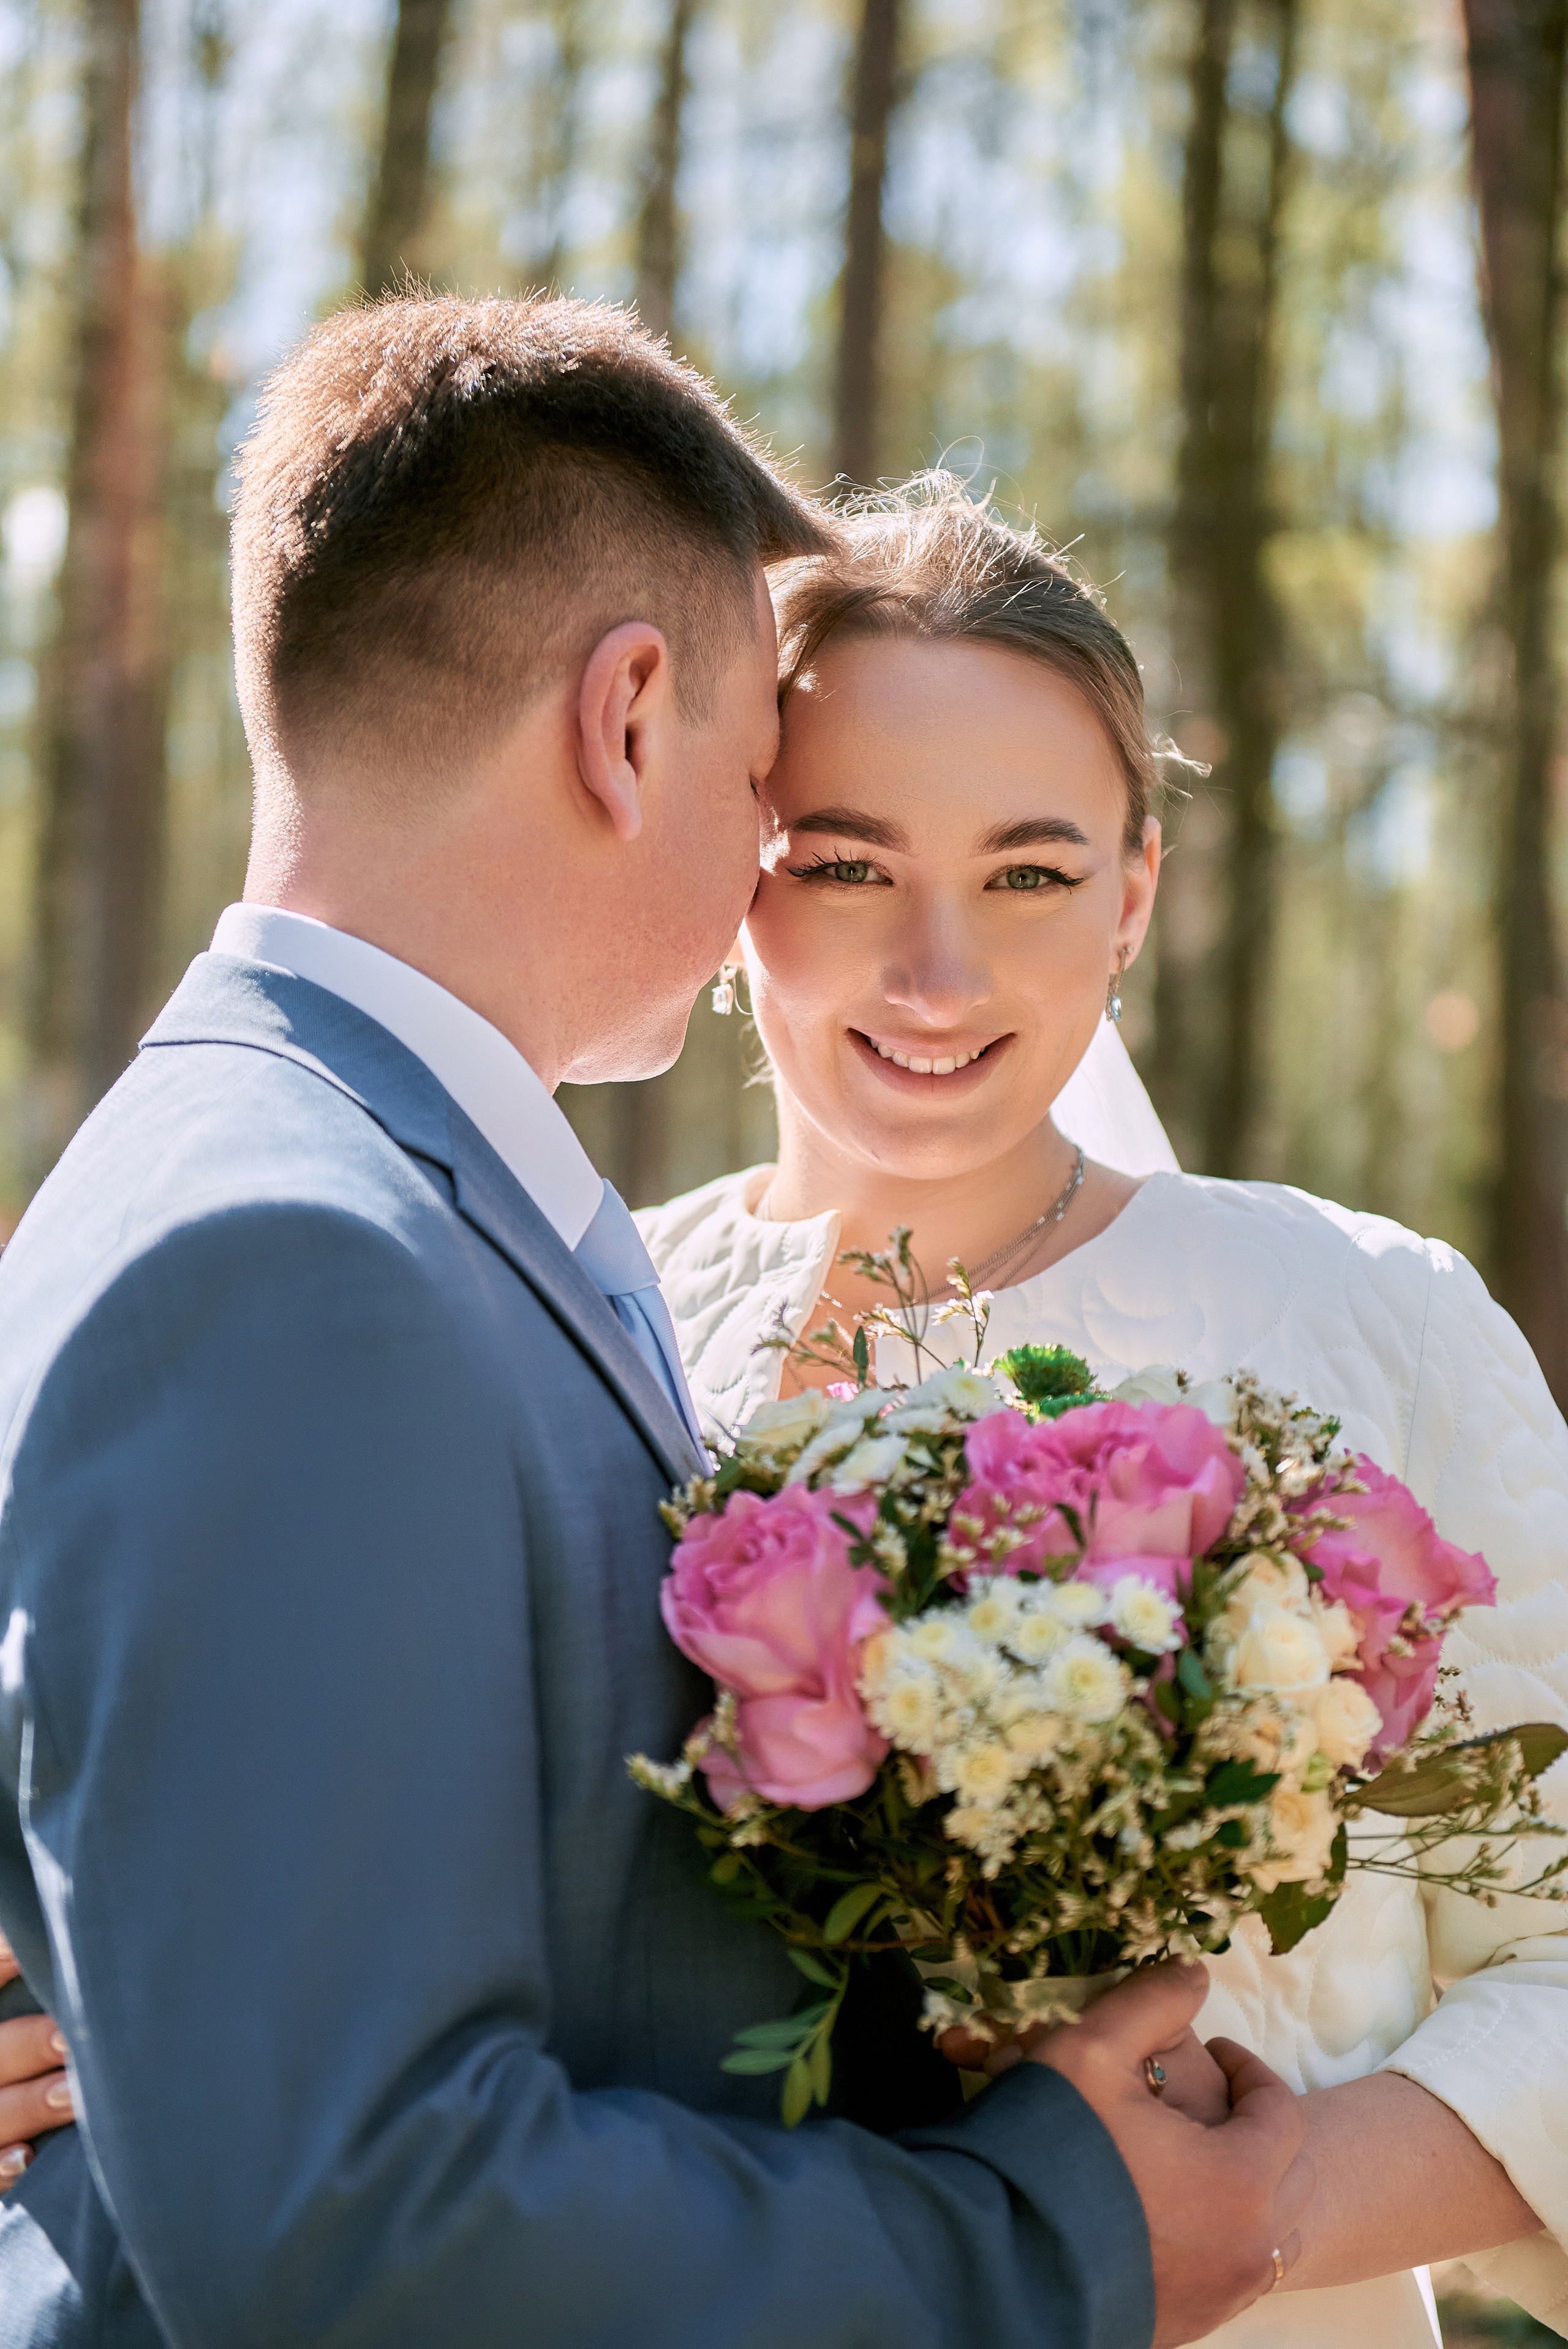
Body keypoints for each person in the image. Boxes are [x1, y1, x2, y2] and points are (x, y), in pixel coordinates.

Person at [0, 298, 1310, 2348]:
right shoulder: (296, 1258)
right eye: (764, 780)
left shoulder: (350, 1191)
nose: (769, 857)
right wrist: (1050, 2231)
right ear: (628, 722)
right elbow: (361, 2223)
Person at [635, 478, 1568, 2348]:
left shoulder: (1367, 1320)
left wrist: (1253, 2205)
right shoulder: (590, 1323)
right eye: (845, 860)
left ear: (1135, 890)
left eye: (1030, 872)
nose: (939, 971)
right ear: (738, 871)